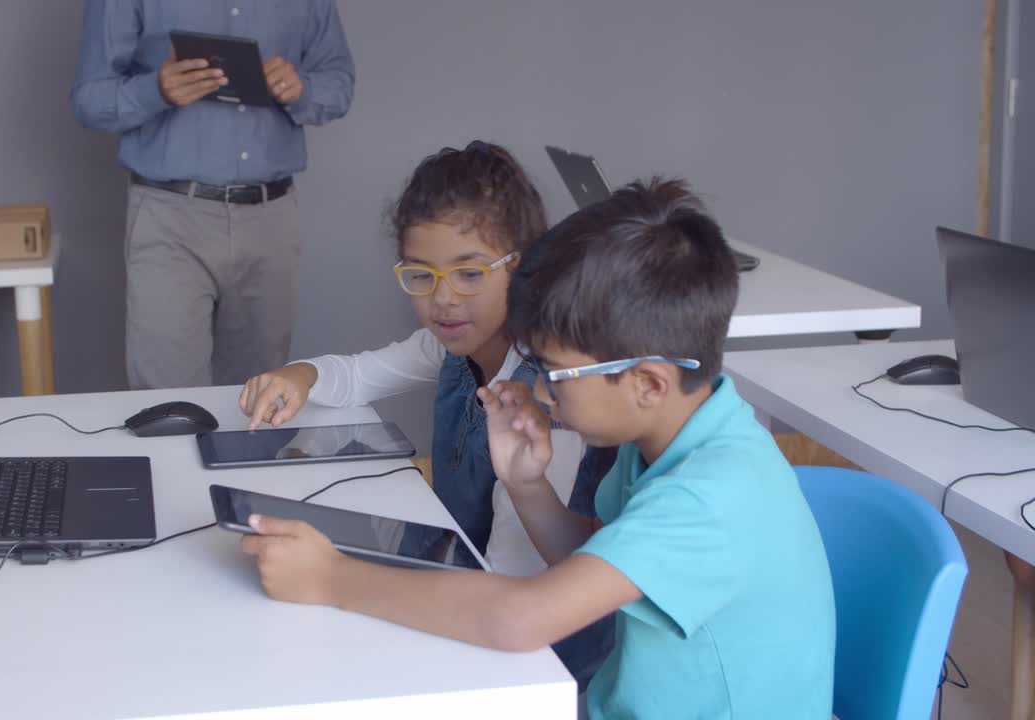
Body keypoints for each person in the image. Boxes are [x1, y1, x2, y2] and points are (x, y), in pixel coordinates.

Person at [240, 178, 837, 719]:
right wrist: (528, 485)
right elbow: (600, 554)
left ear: (647, 382)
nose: (544, 394)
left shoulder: (712, 494)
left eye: (554, 374)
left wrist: (332, 579)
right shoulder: (672, 432)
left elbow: (518, 618)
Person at [238, 141, 615, 687]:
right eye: (421, 276)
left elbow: (516, 580)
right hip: (469, 585)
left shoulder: (552, 397)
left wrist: (341, 582)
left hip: (539, 662)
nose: (443, 300)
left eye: (469, 274)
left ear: (526, 266)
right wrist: (299, 375)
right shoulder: (452, 350)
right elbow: (357, 374)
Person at [71, 1, 355, 389]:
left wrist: (303, 89)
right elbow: (89, 100)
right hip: (169, 217)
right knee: (168, 403)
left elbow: (339, 83)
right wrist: (155, 90)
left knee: (259, 398)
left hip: (270, 220)